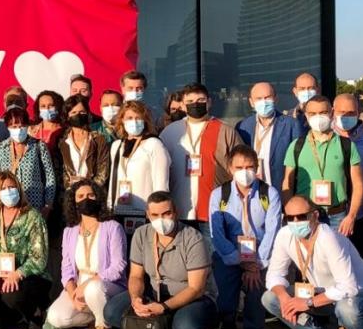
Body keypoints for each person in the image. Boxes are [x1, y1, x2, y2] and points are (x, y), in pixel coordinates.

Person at [262, 194, 363, 329]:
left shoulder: (328, 237)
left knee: (347, 309)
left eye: (301, 217)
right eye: (289, 218)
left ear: (315, 216)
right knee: (270, 298)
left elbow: (347, 287)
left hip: (361, 292)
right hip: (323, 293)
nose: (295, 222)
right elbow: (274, 275)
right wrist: (285, 299)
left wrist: (307, 303)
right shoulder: (285, 235)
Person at [104, 191, 217, 329]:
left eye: (166, 214)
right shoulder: (141, 234)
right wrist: (136, 298)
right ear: (147, 215)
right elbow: (136, 276)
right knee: (112, 312)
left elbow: (196, 288)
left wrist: (164, 307)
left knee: (186, 328)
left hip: (192, 298)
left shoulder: (193, 238)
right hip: (154, 293)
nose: (161, 220)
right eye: (155, 215)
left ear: (176, 212)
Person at [208, 145, 282, 329]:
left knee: (255, 291)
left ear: (257, 167)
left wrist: (255, 264)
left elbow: (272, 231)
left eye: (250, 167)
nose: (245, 171)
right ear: (230, 168)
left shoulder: (269, 193)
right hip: (229, 253)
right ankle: (228, 320)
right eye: (239, 167)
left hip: (260, 255)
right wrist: (236, 258)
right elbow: (217, 233)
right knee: (226, 296)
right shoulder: (219, 194)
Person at [42, 180, 127, 329]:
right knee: (56, 317)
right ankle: (93, 320)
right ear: (73, 202)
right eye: (80, 196)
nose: (85, 199)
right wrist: (73, 292)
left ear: (98, 198)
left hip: (108, 286)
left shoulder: (112, 227)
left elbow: (119, 266)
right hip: (79, 285)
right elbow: (66, 268)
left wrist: (88, 284)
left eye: (90, 195)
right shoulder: (70, 231)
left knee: (93, 289)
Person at [160, 83, 244, 235]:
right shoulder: (170, 132)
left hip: (214, 212)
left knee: (212, 256)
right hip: (179, 212)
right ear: (183, 106)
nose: (195, 105)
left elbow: (241, 167)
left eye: (200, 100)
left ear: (209, 102)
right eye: (190, 102)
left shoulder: (225, 131)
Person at [282, 95, 363, 233]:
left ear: (332, 113)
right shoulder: (296, 146)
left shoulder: (347, 145)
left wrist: (351, 216)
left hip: (337, 216)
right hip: (305, 216)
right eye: (313, 114)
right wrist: (291, 214)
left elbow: (359, 184)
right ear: (306, 116)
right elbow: (287, 183)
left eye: (323, 113)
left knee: (337, 254)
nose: (318, 118)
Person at [0, 171, 50, 329]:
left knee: (11, 296)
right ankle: (16, 315)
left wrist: (18, 273)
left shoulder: (32, 217)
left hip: (30, 277)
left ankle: (35, 312)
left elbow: (40, 258)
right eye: (4, 188)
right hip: (0, 276)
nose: (9, 191)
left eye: (12, 187)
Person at [333, 93, 363, 276]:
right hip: (335, 218)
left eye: (351, 112)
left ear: (359, 112)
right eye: (341, 112)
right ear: (333, 112)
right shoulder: (324, 137)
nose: (345, 117)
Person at [108, 101, 171, 232]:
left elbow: (161, 184)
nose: (134, 122)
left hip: (144, 213)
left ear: (145, 120)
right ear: (122, 121)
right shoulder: (117, 146)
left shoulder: (154, 144)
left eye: (138, 118)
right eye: (129, 118)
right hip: (119, 211)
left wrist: (158, 214)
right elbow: (112, 183)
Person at [0, 107, 57, 219]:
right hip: (9, 206)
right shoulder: (0, 149)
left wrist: (48, 205)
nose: (19, 129)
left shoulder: (39, 146)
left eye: (22, 126)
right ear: (8, 127)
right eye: (14, 126)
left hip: (35, 206)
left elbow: (50, 177)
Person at [235, 82, 303, 193]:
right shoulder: (243, 127)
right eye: (259, 98)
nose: (264, 102)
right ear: (251, 102)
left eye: (267, 97)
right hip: (252, 192)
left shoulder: (291, 125)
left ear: (275, 99)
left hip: (281, 192)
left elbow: (299, 162)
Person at [57, 95, 110, 190]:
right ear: (67, 115)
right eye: (74, 112)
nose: (78, 115)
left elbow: (103, 170)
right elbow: (61, 170)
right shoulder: (62, 141)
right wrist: (70, 189)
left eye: (82, 112)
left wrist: (90, 188)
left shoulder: (99, 139)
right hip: (69, 193)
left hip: (93, 193)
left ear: (88, 113)